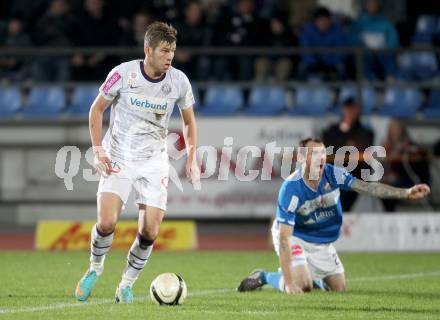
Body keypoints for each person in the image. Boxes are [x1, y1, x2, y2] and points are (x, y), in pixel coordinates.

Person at [74, 21, 199, 304]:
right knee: (106, 223)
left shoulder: (178, 81)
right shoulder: (122, 74)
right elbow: (97, 110)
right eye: (165, 51)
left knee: (150, 231)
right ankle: (94, 268)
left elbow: (189, 121)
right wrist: (97, 150)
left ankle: (126, 285)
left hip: (153, 161)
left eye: (173, 51)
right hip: (118, 155)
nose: (170, 57)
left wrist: (191, 157)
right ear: (148, 49)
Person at [237, 137, 430, 293]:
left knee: (339, 288)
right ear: (303, 159)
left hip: (321, 242)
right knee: (301, 285)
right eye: (315, 154)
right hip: (295, 236)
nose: (321, 158)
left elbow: (367, 187)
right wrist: (288, 282)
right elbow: (285, 238)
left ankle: (313, 279)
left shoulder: (334, 174)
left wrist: (404, 192)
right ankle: (264, 276)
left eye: (323, 153)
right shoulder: (291, 189)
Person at [381, 119, 430, 212]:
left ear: (402, 129)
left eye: (396, 128)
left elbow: (414, 164)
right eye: (392, 128)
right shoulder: (386, 146)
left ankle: (389, 214)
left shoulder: (408, 145)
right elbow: (382, 165)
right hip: (390, 179)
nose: (394, 131)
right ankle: (388, 214)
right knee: (383, 187)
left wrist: (404, 151)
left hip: (407, 179)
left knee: (390, 187)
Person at [298, 7, 347, 81]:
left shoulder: (337, 30)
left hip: (331, 62)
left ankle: (339, 88)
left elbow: (340, 50)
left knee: (341, 66)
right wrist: (314, 62)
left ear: (329, 20)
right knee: (302, 66)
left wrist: (329, 61)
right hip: (314, 61)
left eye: (325, 20)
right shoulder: (308, 30)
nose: (323, 23)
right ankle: (299, 88)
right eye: (320, 20)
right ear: (315, 21)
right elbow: (305, 48)